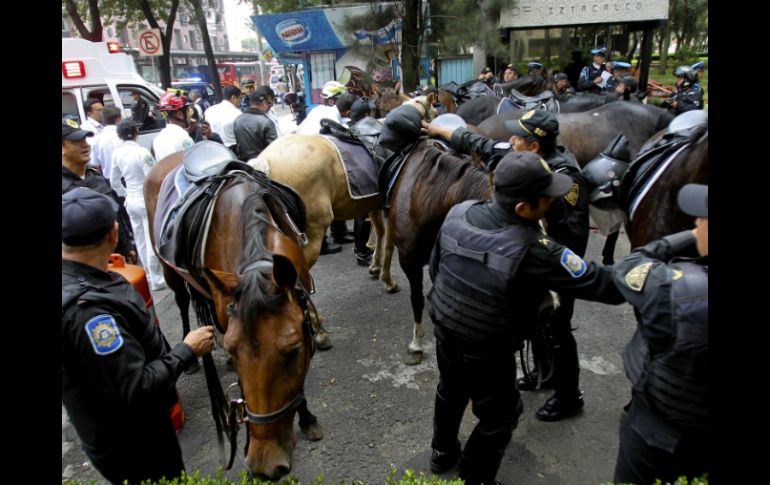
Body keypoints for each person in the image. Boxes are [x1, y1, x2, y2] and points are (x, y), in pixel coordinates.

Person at [426, 151, 625, 485]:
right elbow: (601, 284)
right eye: (546, 199)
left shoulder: (460, 212)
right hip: (489, 345)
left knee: (451, 388)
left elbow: (436, 267)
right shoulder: (536, 249)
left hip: (445, 324)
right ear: (523, 208)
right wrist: (651, 265)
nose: (552, 202)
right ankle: (474, 476)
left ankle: (442, 452)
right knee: (500, 416)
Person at [422, 109, 591, 422]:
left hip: (547, 266)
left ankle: (569, 396)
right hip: (527, 262)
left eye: (516, 137)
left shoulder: (563, 180)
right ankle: (543, 372)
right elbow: (482, 144)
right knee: (536, 328)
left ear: (534, 147)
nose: (509, 140)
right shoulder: (520, 156)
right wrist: (439, 130)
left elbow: (574, 238)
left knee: (557, 329)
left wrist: (547, 274)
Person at [62, 187, 215, 485]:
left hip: (119, 432)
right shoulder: (90, 314)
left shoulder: (81, 278)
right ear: (114, 231)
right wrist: (187, 350)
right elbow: (135, 388)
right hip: (134, 443)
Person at [611, 184, 708, 485]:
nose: (696, 222)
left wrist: (683, 240)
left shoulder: (676, 289)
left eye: (703, 219)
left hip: (657, 428)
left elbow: (628, 267)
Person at [62, 123, 137, 265]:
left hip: (115, 258)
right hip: (81, 268)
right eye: (77, 142)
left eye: (85, 140)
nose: (86, 145)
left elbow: (116, 214)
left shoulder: (95, 177)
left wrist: (127, 245)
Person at [111, 119, 166, 291]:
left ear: (119, 136)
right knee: (151, 239)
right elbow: (151, 179)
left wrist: (125, 193)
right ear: (136, 133)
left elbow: (114, 181)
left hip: (131, 200)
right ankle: (156, 278)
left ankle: (149, 276)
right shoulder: (142, 153)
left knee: (140, 238)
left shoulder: (117, 154)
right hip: (144, 200)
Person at [233, 85, 277, 163]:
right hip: (264, 165)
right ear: (264, 102)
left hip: (245, 165)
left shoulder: (237, 120)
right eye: (268, 103)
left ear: (251, 102)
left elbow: (238, 146)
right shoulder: (266, 122)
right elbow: (275, 149)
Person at [89, 106, 123, 194]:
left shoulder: (97, 139)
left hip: (108, 180)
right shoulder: (123, 137)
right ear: (118, 118)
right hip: (126, 178)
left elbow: (96, 164)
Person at [152, 92, 194, 162]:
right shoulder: (184, 139)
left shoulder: (158, 139)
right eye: (188, 111)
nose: (190, 114)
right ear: (180, 114)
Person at [203, 85, 242, 151]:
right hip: (232, 150)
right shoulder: (237, 113)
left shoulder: (209, 110)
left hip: (213, 148)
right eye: (240, 98)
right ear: (233, 98)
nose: (240, 101)